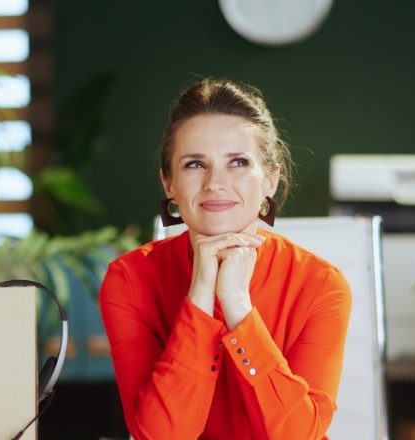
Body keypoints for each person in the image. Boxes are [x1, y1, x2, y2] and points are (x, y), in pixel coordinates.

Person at [99, 78, 351, 440]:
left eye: (237, 162)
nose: (215, 182)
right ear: (169, 183)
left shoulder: (322, 285)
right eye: (194, 165)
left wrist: (237, 305)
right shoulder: (128, 280)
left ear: (270, 180)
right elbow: (159, 436)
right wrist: (200, 296)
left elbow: (299, 435)